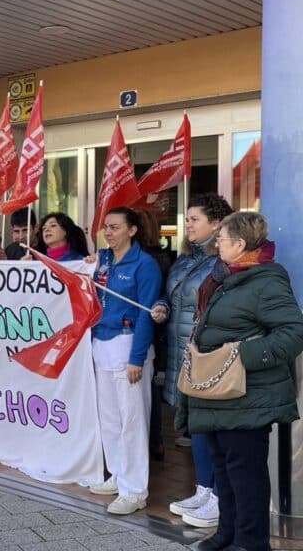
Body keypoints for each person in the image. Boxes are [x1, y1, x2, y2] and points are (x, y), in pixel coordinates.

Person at [177, 212, 303, 551]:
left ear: (240, 244)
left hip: (246, 395)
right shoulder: (224, 277)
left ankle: (250, 543)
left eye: (222, 237)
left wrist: (240, 357)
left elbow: (293, 334)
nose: (216, 242)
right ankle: (227, 534)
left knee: (246, 476)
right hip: (216, 392)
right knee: (225, 471)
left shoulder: (266, 280)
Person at [150, 194, 233, 527]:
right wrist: (162, 307)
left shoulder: (225, 260)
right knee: (195, 423)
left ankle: (217, 495)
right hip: (180, 351)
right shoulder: (185, 260)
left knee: (209, 425)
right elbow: (171, 295)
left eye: (195, 219)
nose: (188, 224)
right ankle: (202, 489)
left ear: (216, 223)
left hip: (207, 355)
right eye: (187, 219)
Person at [88, 206, 161, 515]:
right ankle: (117, 474)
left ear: (132, 230)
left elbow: (146, 314)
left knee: (132, 422)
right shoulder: (102, 260)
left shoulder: (144, 264)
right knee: (110, 418)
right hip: (101, 344)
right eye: (106, 227)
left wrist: (137, 358)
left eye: (115, 227)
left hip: (128, 346)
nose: (108, 232)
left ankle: (135, 489)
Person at [135, 208, 173, 463]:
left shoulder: (148, 261)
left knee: (146, 388)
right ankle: (155, 439)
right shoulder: (163, 256)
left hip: (150, 328)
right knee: (149, 387)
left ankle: (150, 439)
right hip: (158, 329)